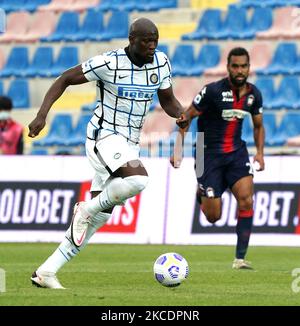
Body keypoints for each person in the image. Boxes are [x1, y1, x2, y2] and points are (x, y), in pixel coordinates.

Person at [28, 18, 183, 289]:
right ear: (132, 39)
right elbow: (64, 78)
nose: (152, 45)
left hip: (130, 141)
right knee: (137, 180)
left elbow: (167, 100)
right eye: (146, 40)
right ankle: (84, 209)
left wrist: (182, 114)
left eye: (155, 40)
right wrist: (42, 116)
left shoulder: (161, 62)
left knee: (100, 216)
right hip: (104, 136)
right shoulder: (109, 63)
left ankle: (46, 271)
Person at [171, 47, 265, 270]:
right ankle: (201, 193)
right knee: (213, 216)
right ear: (228, 68)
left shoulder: (254, 95)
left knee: (247, 199)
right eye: (235, 66)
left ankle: (240, 259)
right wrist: (178, 149)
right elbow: (187, 117)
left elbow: (258, 126)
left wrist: (260, 153)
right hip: (207, 155)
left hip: (236, 153)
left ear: (249, 68)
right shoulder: (212, 91)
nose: (240, 70)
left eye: (244, 66)